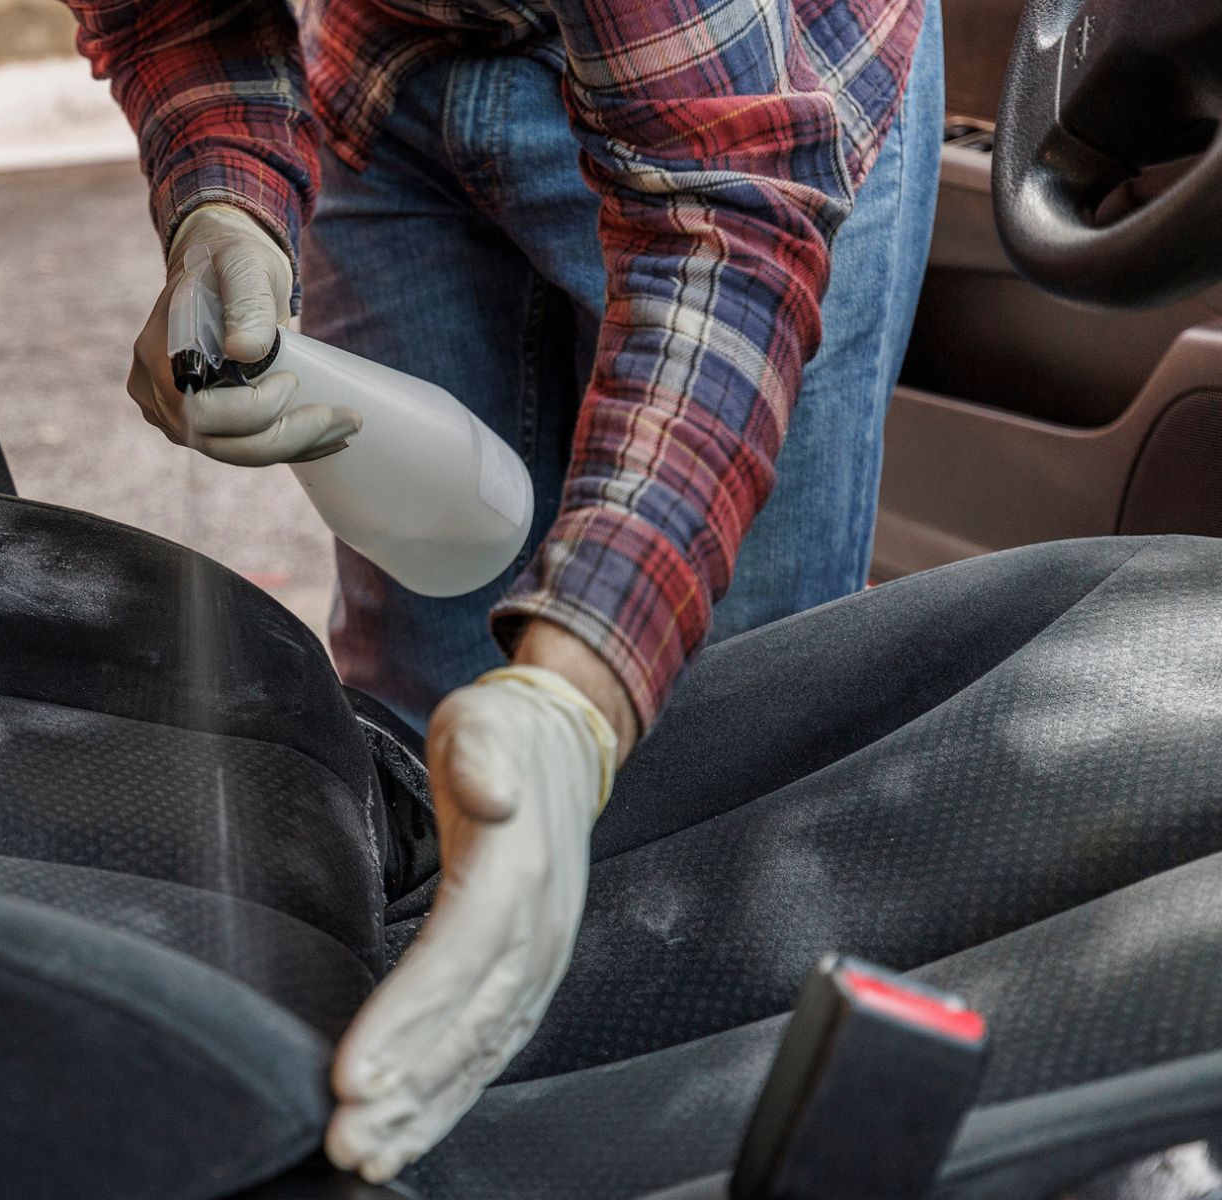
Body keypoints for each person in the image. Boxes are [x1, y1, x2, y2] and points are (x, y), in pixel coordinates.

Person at [64, 0, 945, 1181]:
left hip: (744, 91)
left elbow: (718, 213)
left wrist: (575, 701)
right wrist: (227, 198)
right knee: (422, 754)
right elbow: (169, 12)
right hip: (387, 71)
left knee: (731, 773)